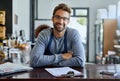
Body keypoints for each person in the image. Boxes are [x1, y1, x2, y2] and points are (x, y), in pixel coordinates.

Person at [30, 3, 86, 67]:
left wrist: (51, 63)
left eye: (64, 18)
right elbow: (34, 60)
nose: (61, 21)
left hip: (66, 75)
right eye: (58, 17)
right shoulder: (44, 34)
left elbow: (80, 61)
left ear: (68, 21)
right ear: (52, 19)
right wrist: (62, 56)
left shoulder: (73, 34)